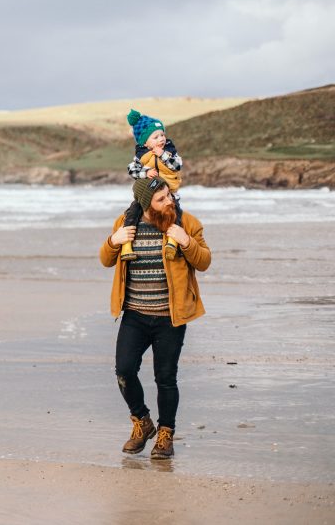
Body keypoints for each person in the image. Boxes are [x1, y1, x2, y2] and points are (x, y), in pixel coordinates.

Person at [99, 176, 211, 459]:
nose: (169, 201)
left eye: (169, 195)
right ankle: (142, 421)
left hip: (170, 317)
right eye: (161, 199)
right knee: (124, 371)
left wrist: (186, 242)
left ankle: (165, 434)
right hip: (135, 315)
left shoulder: (187, 223)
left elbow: (204, 261)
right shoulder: (126, 224)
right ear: (146, 203)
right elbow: (105, 258)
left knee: (166, 378)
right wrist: (114, 240)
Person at [120, 109, 184, 262]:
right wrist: (145, 172)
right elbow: (132, 170)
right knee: (132, 212)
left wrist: (162, 154)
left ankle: (172, 242)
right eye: (156, 137)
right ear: (145, 142)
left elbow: (177, 166)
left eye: (162, 134)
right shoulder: (141, 155)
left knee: (176, 213)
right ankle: (126, 245)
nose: (161, 138)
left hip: (169, 191)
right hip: (148, 193)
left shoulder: (169, 151)